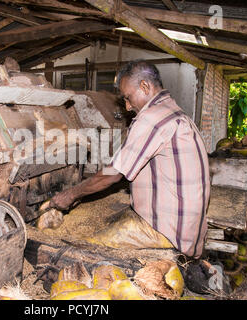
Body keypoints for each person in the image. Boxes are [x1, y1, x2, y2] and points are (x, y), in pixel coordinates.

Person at [50, 60, 211, 259]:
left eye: (128, 97)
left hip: (167, 231)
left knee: (83, 250)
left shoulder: (151, 118)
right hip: (187, 228)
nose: (127, 106)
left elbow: (113, 174)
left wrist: (72, 193)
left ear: (145, 86)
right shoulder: (173, 111)